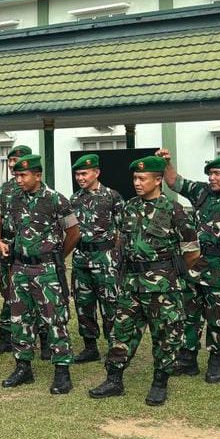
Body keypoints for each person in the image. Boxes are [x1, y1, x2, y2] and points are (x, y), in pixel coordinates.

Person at [89, 156, 199, 406]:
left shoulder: (173, 210)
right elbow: (121, 241)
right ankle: (114, 380)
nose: (137, 183)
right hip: (131, 284)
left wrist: (170, 275)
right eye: (135, 178)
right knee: (121, 332)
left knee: (165, 336)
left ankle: (160, 383)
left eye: (142, 178)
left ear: (158, 180)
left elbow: (192, 252)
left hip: (163, 288)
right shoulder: (129, 207)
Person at [159, 150, 220, 383]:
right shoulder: (201, 192)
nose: (212, 178)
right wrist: (166, 162)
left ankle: (215, 364)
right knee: (189, 314)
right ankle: (187, 360)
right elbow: (174, 181)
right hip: (193, 266)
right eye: (210, 173)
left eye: (217, 173)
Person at [0, 154, 78, 395]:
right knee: (20, 319)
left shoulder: (55, 199)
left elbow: (73, 232)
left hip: (47, 270)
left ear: (38, 175)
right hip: (20, 268)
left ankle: (62, 370)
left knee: (54, 319)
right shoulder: (14, 199)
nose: (18, 180)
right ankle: (23, 367)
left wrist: (57, 257)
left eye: (23, 175)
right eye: (16, 175)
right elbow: (14, 230)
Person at [69, 154, 124, 364]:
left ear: (96, 173)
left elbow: (123, 230)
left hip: (105, 260)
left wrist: (117, 257)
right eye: (77, 174)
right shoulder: (74, 199)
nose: (80, 178)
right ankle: (90, 347)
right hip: (81, 259)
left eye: (84, 173)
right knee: (83, 305)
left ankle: (114, 347)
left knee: (110, 305)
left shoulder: (112, 196)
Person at [0, 145, 32, 356]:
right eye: (11, 161)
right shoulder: (5, 189)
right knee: (8, 292)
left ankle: (41, 337)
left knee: (34, 294)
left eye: (18, 160)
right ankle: (6, 337)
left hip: (29, 250)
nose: (13, 164)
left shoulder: (39, 188)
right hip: (7, 248)